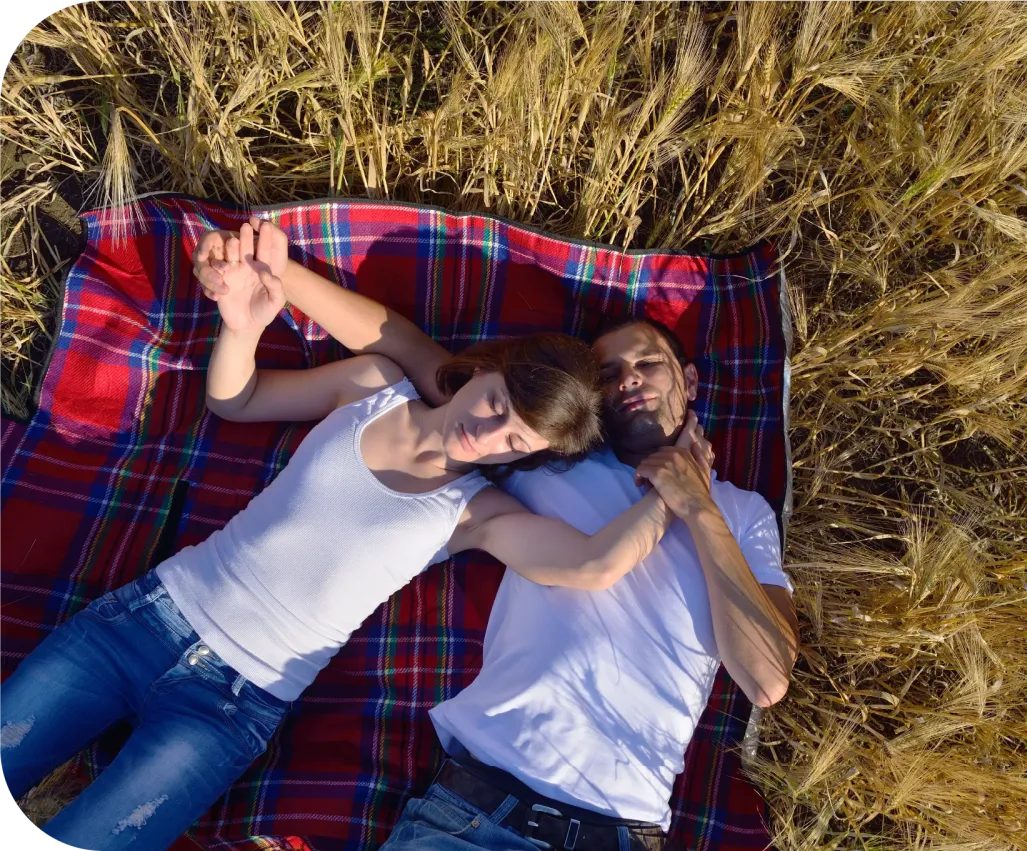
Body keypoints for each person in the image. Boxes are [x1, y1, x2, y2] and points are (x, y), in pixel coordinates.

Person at [0, 224, 697, 851]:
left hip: (229, 706)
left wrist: (677, 486)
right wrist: (245, 320)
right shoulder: (378, 385)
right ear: (485, 369)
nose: (486, 434)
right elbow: (238, 399)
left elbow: (592, 563)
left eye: (514, 439)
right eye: (495, 406)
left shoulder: (474, 511)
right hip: (143, 618)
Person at [193, 218, 802, 851]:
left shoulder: (743, 514)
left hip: (617, 828)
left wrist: (697, 505)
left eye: (649, 362)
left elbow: (764, 679)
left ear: (692, 381)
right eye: (609, 372)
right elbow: (406, 347)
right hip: (476, 810)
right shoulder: (545, 455)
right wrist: (276, 274)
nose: (628, 378)